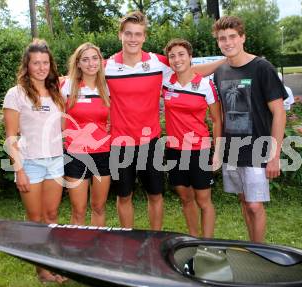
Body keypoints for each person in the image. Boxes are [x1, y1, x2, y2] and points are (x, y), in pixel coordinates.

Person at [104, 11, 223, 230]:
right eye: (128, 33)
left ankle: (154, 241)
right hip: (120, 143)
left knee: (156, 195)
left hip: (152, 143)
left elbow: (189, 69)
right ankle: (129, 241)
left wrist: (225, 61)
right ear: (120, 34)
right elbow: (79, 76)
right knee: (124, 197)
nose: (133, 38)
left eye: (138, 34)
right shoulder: (108, 66)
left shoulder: (158, 62)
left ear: (144, 37)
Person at [212, 16, 287, 243]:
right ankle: (252, 246)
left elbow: (279, 112)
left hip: (258, 148)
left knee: (255, 205)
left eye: (232, 36)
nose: (228, 42)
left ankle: (260, 249)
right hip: (233, 149)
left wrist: (274, 156)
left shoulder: (262, 68)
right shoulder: (220, 72)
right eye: (222, 38)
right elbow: (223, 113)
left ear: (242, 37)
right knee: (244, 200)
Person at [3, 39, 66, 283]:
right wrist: (19, 170)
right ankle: (41, 270)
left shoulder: (56, 91)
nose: (41, 67)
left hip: (55, 161)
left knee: (51, 215)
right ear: (27, 65)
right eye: (35, 63)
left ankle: (52, 264)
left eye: (45, 62)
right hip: (30, 164)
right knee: (35, 219)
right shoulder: (16, 94)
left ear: (51, 65)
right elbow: (11, 136)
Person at [162, 38, 222, 238]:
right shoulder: (165, 82)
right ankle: (194, 240)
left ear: (190, 58)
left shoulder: (205, 85)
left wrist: (218, 153)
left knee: (203, 200)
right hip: (174, 150)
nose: (177, 59)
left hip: (199, 149)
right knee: (185, 198)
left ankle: (207, 244)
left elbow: (216, 120)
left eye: (181, 54)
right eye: (172, 56)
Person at [60, 42, 111, 227]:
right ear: (78, 64)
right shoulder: (67, 86)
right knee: (79, 209)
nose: (91, 63)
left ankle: (97, 246)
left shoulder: (107, 87)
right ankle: (76, 249)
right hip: (76, 154)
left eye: (95, 58)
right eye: (85, 59)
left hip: (103, 153)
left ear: (100, 61)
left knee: (98, 206)